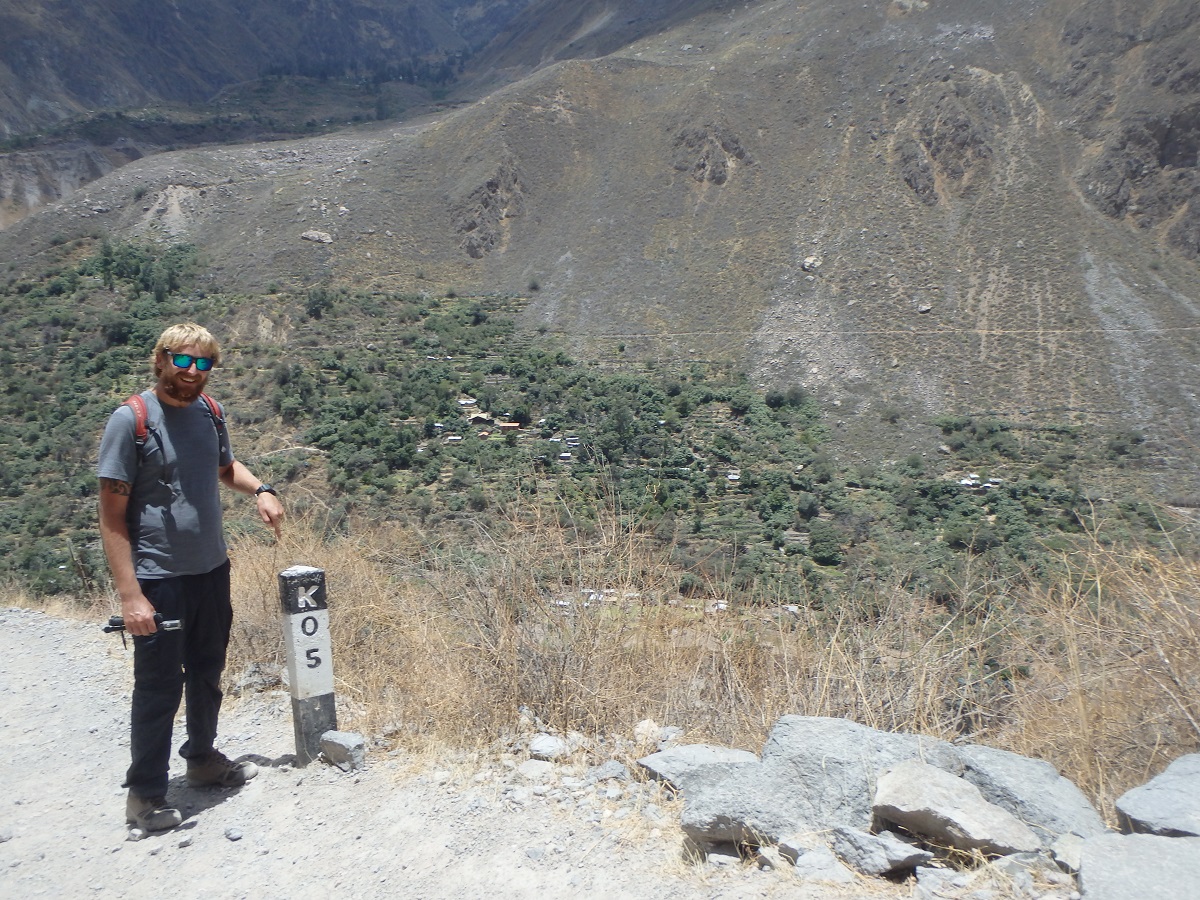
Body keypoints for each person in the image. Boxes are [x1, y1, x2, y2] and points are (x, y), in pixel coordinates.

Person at [97, 322, 284, 832]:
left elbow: (225, 469)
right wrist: (131, 594)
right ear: (160, 360)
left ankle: (201, 759)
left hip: (211, 569)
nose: (192, 373)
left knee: (207, 671)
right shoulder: (131, 420)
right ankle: (146, 795)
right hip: (159, 577)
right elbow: (111, 516)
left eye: (203, 364)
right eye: (183, 361)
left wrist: (261, 489)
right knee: (158, 686)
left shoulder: (209, 413)